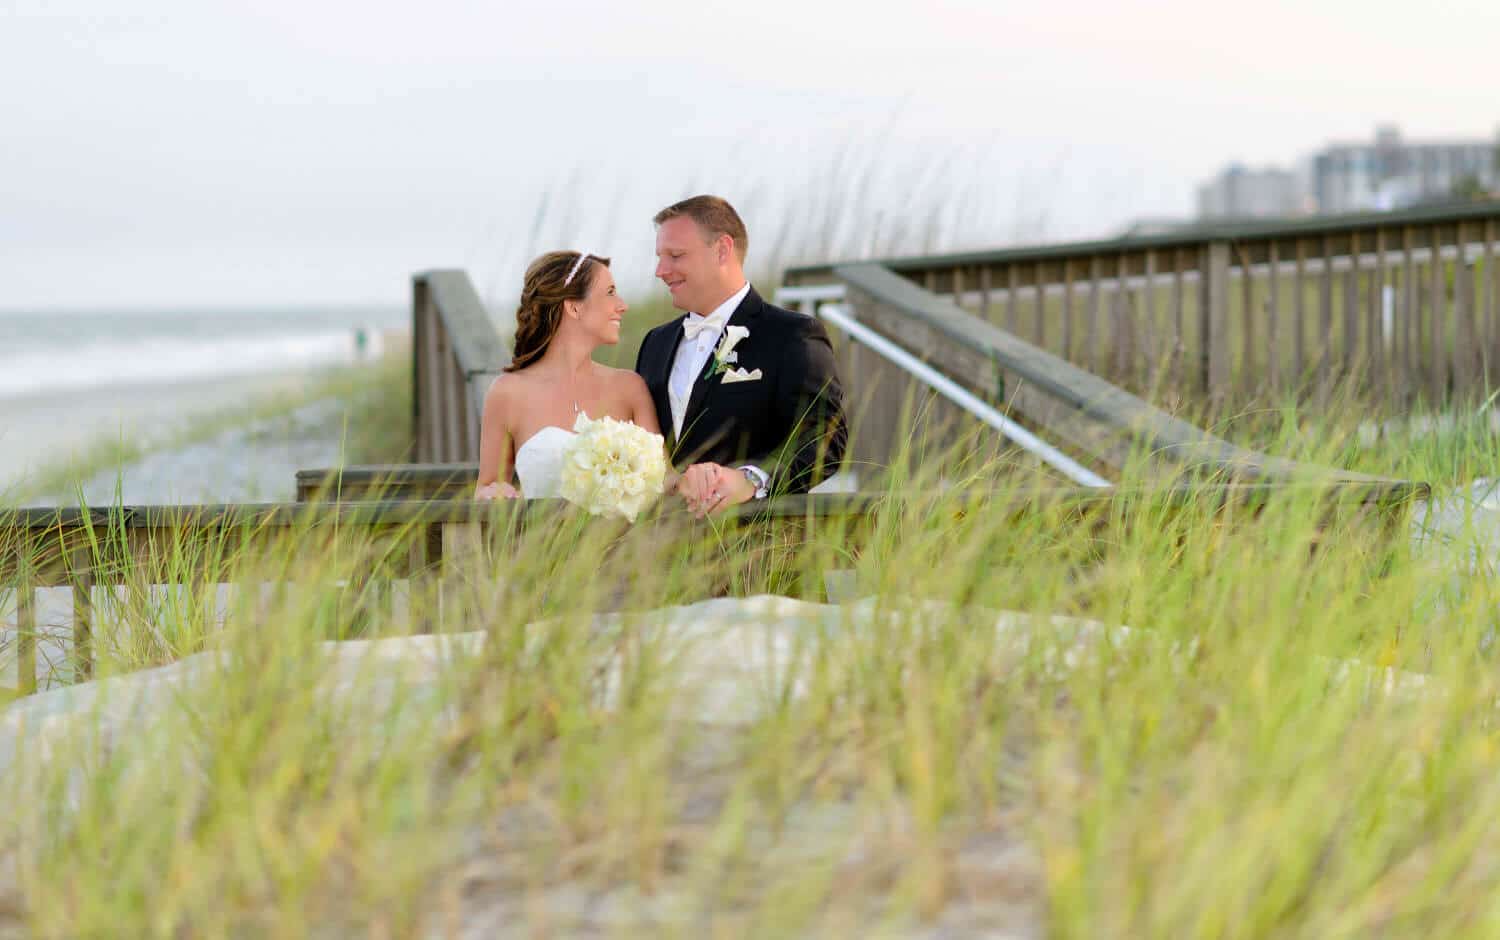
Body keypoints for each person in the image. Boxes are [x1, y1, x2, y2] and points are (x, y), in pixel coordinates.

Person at [635, 195, 846, 516]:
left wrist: (750, 480)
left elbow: (825, 440)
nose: (660, 271)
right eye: (660, 257)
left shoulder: (792, 335)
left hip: (759, 546)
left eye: (675, 256)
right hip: (661, 548)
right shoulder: (655, 343)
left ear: (722, 250)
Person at [475, 251, 659, 500]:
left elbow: (662, 479)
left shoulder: (630, 388)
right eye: (610, 292)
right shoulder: (507, 393)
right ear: (574, 307)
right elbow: (487, 487)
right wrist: (494, 494)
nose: (622, 305)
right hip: (540, 538)